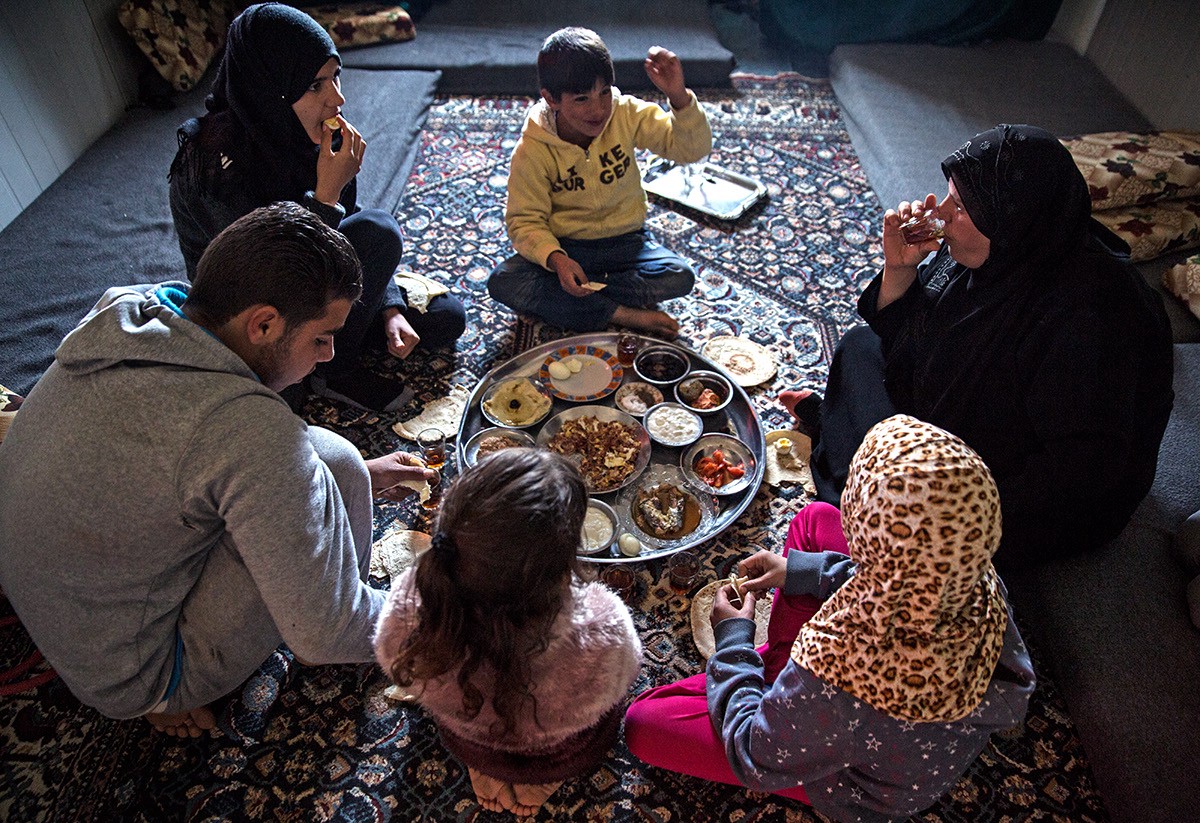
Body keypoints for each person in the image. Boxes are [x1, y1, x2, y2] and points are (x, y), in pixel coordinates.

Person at [0, 203, 436, 738]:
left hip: (69, 606)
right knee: (330, 592)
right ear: (264, 324)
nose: (327, 357)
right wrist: (459, 621)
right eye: (321, 338)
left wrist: (353, 474)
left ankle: (344, 583)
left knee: (338, 458)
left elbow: (166, 457)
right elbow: (324, 633)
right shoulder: (246, 429)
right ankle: (161, 699)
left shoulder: (145, 312)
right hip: (140, 670)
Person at [782, 124, 1174, 569]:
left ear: (1007, 220)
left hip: (1013, 490)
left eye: (962, 206)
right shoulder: (1003, 245)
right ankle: (849, 446)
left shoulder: (1096, 321)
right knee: (860, 346)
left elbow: (1078, 475)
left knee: (895, 491)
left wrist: (937, 493)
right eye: (949, 194)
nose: (942, 214)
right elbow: (913, 338)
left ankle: (852, 467)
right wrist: (900, 271)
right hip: (967, 416)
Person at [624, 415, 1036, 822]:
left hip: (854, 775)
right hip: (867, 720)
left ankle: (770, 674)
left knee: (644, 722)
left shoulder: (842, 667)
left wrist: (735, 640)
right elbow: (892, 578)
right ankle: (777, 667)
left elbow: (755, 753)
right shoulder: (975, 572)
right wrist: (801, 571)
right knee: (817, 519)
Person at [169, 2, 466, 411]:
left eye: (336, 77)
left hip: (315, 288)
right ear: (271, 89)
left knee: (446, 317)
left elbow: (353, 223)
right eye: (315, 86)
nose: (337, 100)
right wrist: (326, 194)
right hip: (258, 321)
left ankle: (331, 344)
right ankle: (335, 371)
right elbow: (274, 281)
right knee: (275, 398)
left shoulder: (302, 133)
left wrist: (389, 307)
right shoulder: (212, 166)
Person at [374, 449, 642, 817]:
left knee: (466, 731)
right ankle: (544, 777)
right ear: (564, 563)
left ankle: (483, 764)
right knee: (602, 724)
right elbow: (626, 676)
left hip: (469, 738)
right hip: (560, 751)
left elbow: (387, 652)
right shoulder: (603, 626)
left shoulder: (408, 607)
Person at [486, 27, 712, 339]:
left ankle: (580, 301)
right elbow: (524, 220)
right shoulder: (532, 149)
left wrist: (678, 96)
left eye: (604, 92)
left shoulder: (626, 113)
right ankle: (623, 313)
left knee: (678, 277)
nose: (598, 109)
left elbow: (691, 150)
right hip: (568, 248)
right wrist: (556, 259)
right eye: (581, 99)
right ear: (551, 98)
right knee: (504, 281)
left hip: (627, 243)